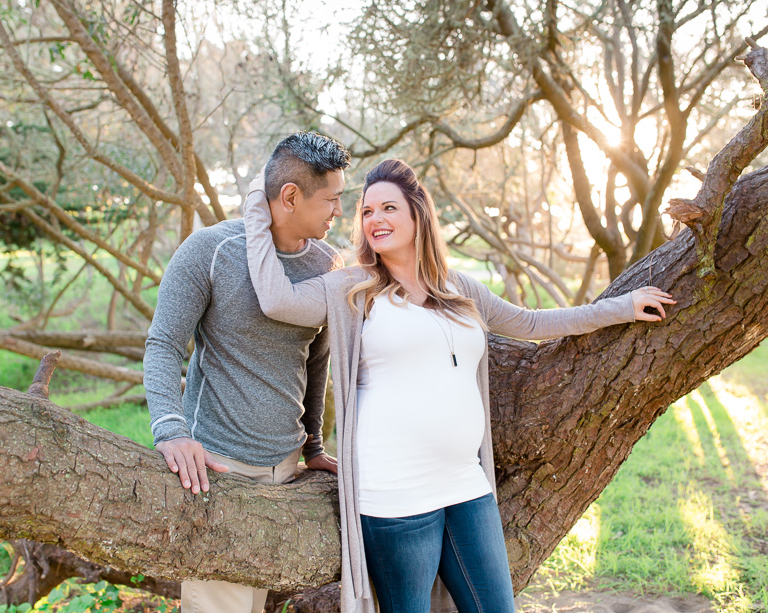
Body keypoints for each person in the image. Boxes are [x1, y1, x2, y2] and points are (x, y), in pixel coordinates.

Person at [243, 159, 676, 613]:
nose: (375, 220)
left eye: (388, 207)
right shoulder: (352, 287)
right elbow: (277, 300)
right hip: (394, 493)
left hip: (466, 483)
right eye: (367, 211)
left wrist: (621, 307)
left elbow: (532, 323)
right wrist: (257, 202)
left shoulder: (459, 287)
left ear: (418, 213)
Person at [143, 132, 350, 613]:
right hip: (218, 467)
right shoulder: (210, 250)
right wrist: (171, 430)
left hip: (286, 470)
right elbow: (163, 344)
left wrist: (313, 446)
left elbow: (315, 361)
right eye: (331, 199)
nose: (339, 211)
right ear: (290, 197)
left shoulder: (327, 264)